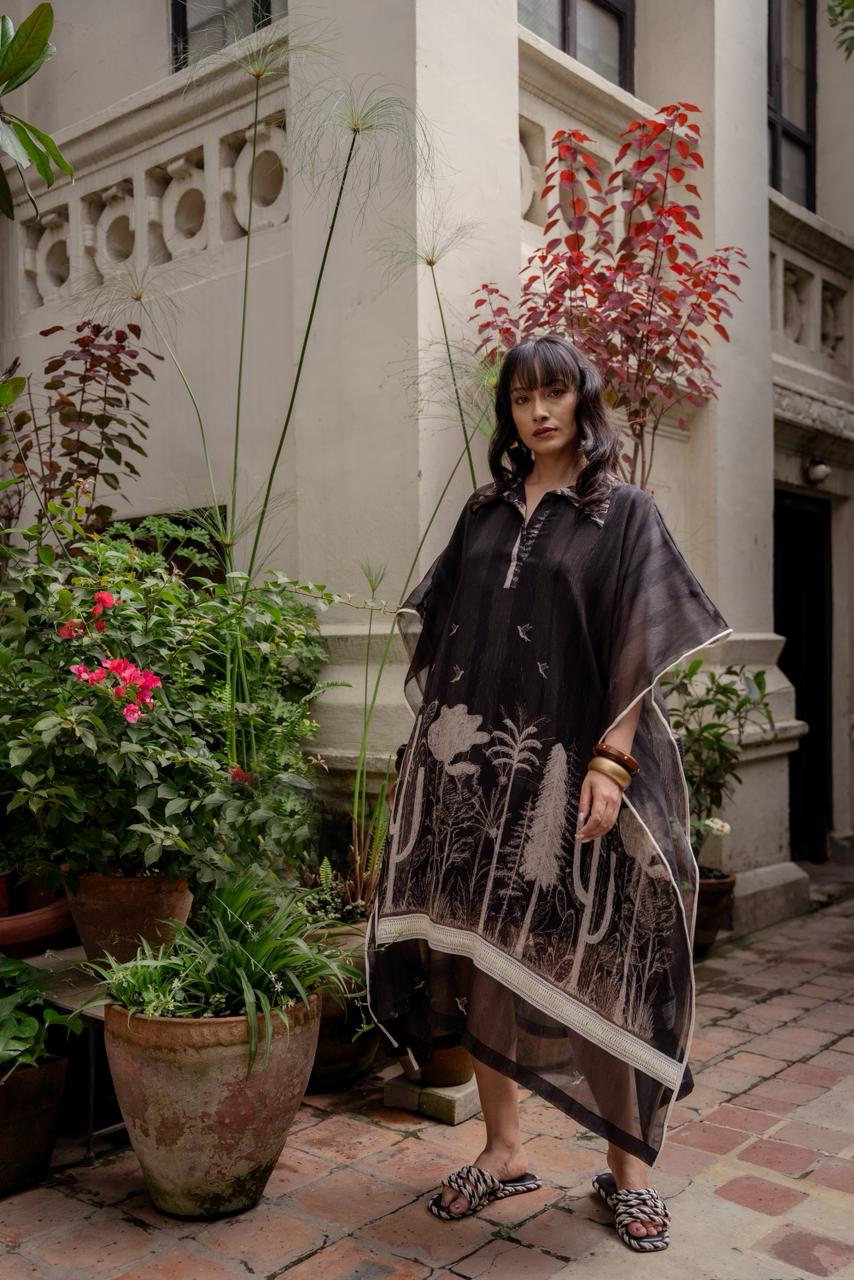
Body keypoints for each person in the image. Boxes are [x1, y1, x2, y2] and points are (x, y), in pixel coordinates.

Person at [365, 335, 731, 1253]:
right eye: (522, 397)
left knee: (593, 964)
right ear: (510, 412)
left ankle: (628, 1172)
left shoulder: (622, 513)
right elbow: (452, 632)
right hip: (484, 773)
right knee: (486, 954)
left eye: (555, 393)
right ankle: (503, 1151)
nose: (538, 411)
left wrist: (613, 760)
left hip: (579, 775)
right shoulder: (485, 512)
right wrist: (434, 758)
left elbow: (639, 641)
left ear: (582, 401)